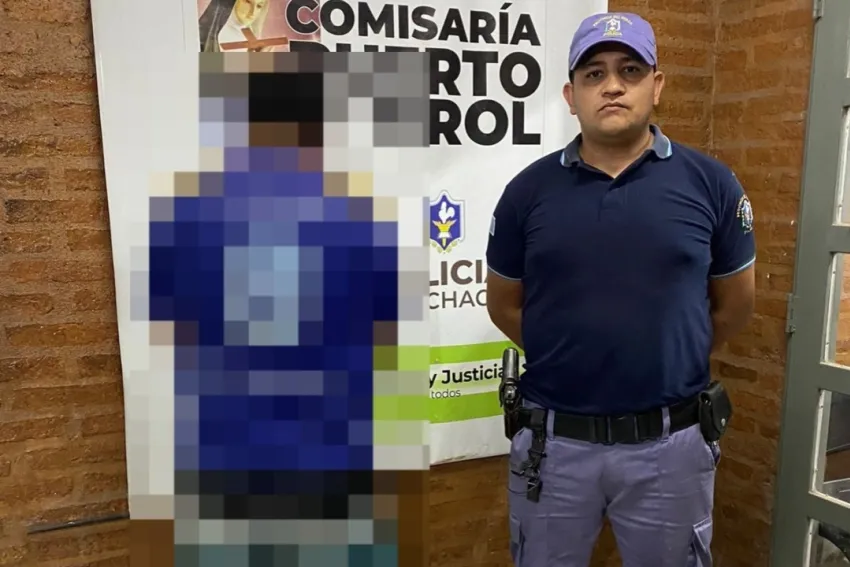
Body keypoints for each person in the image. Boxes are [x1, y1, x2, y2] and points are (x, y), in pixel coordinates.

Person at [485, 12, 755, 567]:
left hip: (670, 449)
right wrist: (572, 352)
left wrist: (663, 354)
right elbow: (505, 305)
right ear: (571, 95)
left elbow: (734, 306)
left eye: (630, 70)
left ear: (657, 85)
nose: (612, 85)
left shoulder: (712, 184)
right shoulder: (527, 192)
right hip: (554, 448)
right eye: (594, 74)